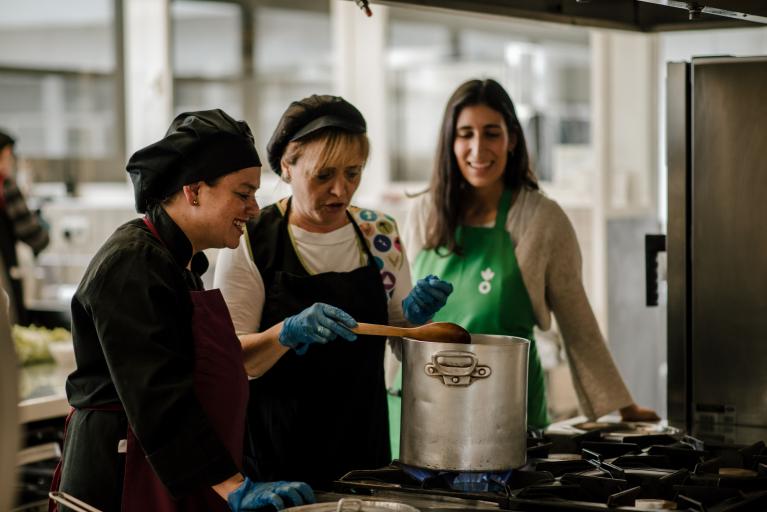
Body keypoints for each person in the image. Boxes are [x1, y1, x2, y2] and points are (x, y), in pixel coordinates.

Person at [51, 110, 314, 512]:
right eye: (242, 194)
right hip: (121, 474)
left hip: (171, 471)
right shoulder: (132, 264)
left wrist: (282, 336)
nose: (255, 209)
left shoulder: (182, 263)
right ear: (193, 191)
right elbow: (156, 395)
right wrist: (233, 484)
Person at [214, 95, 453, 486]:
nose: (341, 191)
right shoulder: (252, 237)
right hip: (279, 460)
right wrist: (284, 333)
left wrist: (415, 320)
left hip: (366, 454)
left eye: (353, 173)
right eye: (323, 175)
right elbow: (233, 360)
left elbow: (401, 344)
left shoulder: (380, 233)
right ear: (288, 167)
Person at [402, 79, 659, 428]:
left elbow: (577, 321)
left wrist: (623, 406)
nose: (478, 148)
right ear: (449, 142)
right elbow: (398, 317)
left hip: (506, 410)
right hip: (427, 407)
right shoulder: (423, 213)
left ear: (512, 140)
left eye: (491, 133)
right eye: (465, 134)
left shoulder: (541, 219)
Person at [0, 130, 49, 325]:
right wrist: (44, 231)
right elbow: (34, 236)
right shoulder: (6, 185)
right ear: (5, 153)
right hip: (6, 275)